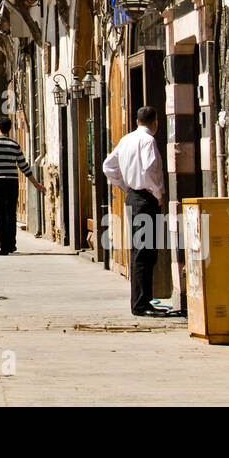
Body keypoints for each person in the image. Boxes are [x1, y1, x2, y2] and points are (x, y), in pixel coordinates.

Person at [102, 106, 166, 316]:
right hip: (146, 198)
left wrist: (124, 186)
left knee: (143, 250)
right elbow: (149, 168)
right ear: (154, 121)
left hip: (133, 197)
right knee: (143, 252)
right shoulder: (147, 141)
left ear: (137, 122)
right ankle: (140, 304)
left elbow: (108, 166)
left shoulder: (126, 139)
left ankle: (144, 299)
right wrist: (157, 193)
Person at [0, 117, 44, 255]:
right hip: (12, 182)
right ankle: (11, 244)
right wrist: (36, 183)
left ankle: (4, 246)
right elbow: (23, 166)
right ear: (9, 129)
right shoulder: (14, 144)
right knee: (11, 213)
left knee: (0, 214)